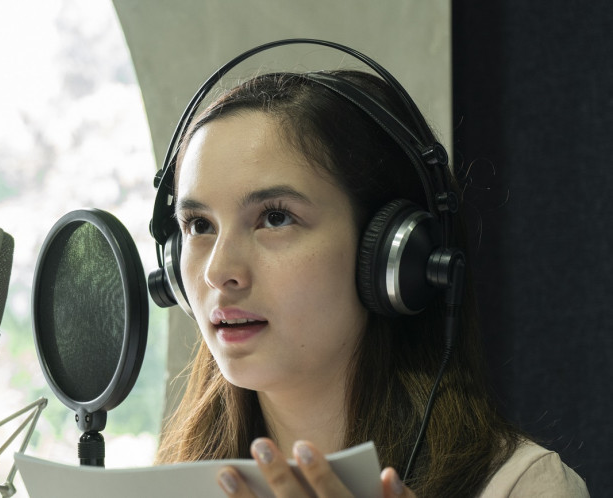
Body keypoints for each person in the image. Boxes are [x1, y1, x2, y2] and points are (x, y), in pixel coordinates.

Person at [151, 66, 589, 497]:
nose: (218, 271)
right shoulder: (159, 489)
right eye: (199, 225)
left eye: (275, 218)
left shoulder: (523, 487)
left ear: (392, 258)